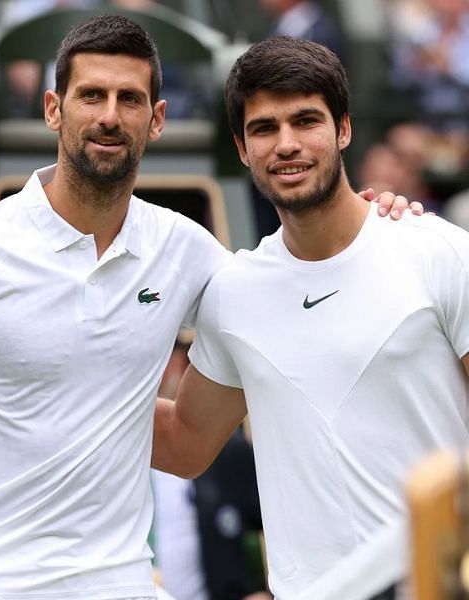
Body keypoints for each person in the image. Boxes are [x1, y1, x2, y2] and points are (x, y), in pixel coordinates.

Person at [0, 16, 418, 599]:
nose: (110, 115)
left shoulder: (187, 251)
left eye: (129, 98)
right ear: (54, 109)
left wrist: (375, 221)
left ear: (155, 119)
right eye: (92, 96)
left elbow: (296, 290)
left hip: (123, 584)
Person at [151, 36, 469, 597]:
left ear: (343, 129)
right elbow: (183, 443)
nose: (287, 144)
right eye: (264, 128)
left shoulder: (438, 252)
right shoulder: (234, 293)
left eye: (305, 121)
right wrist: (61, 374)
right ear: (243, 148)